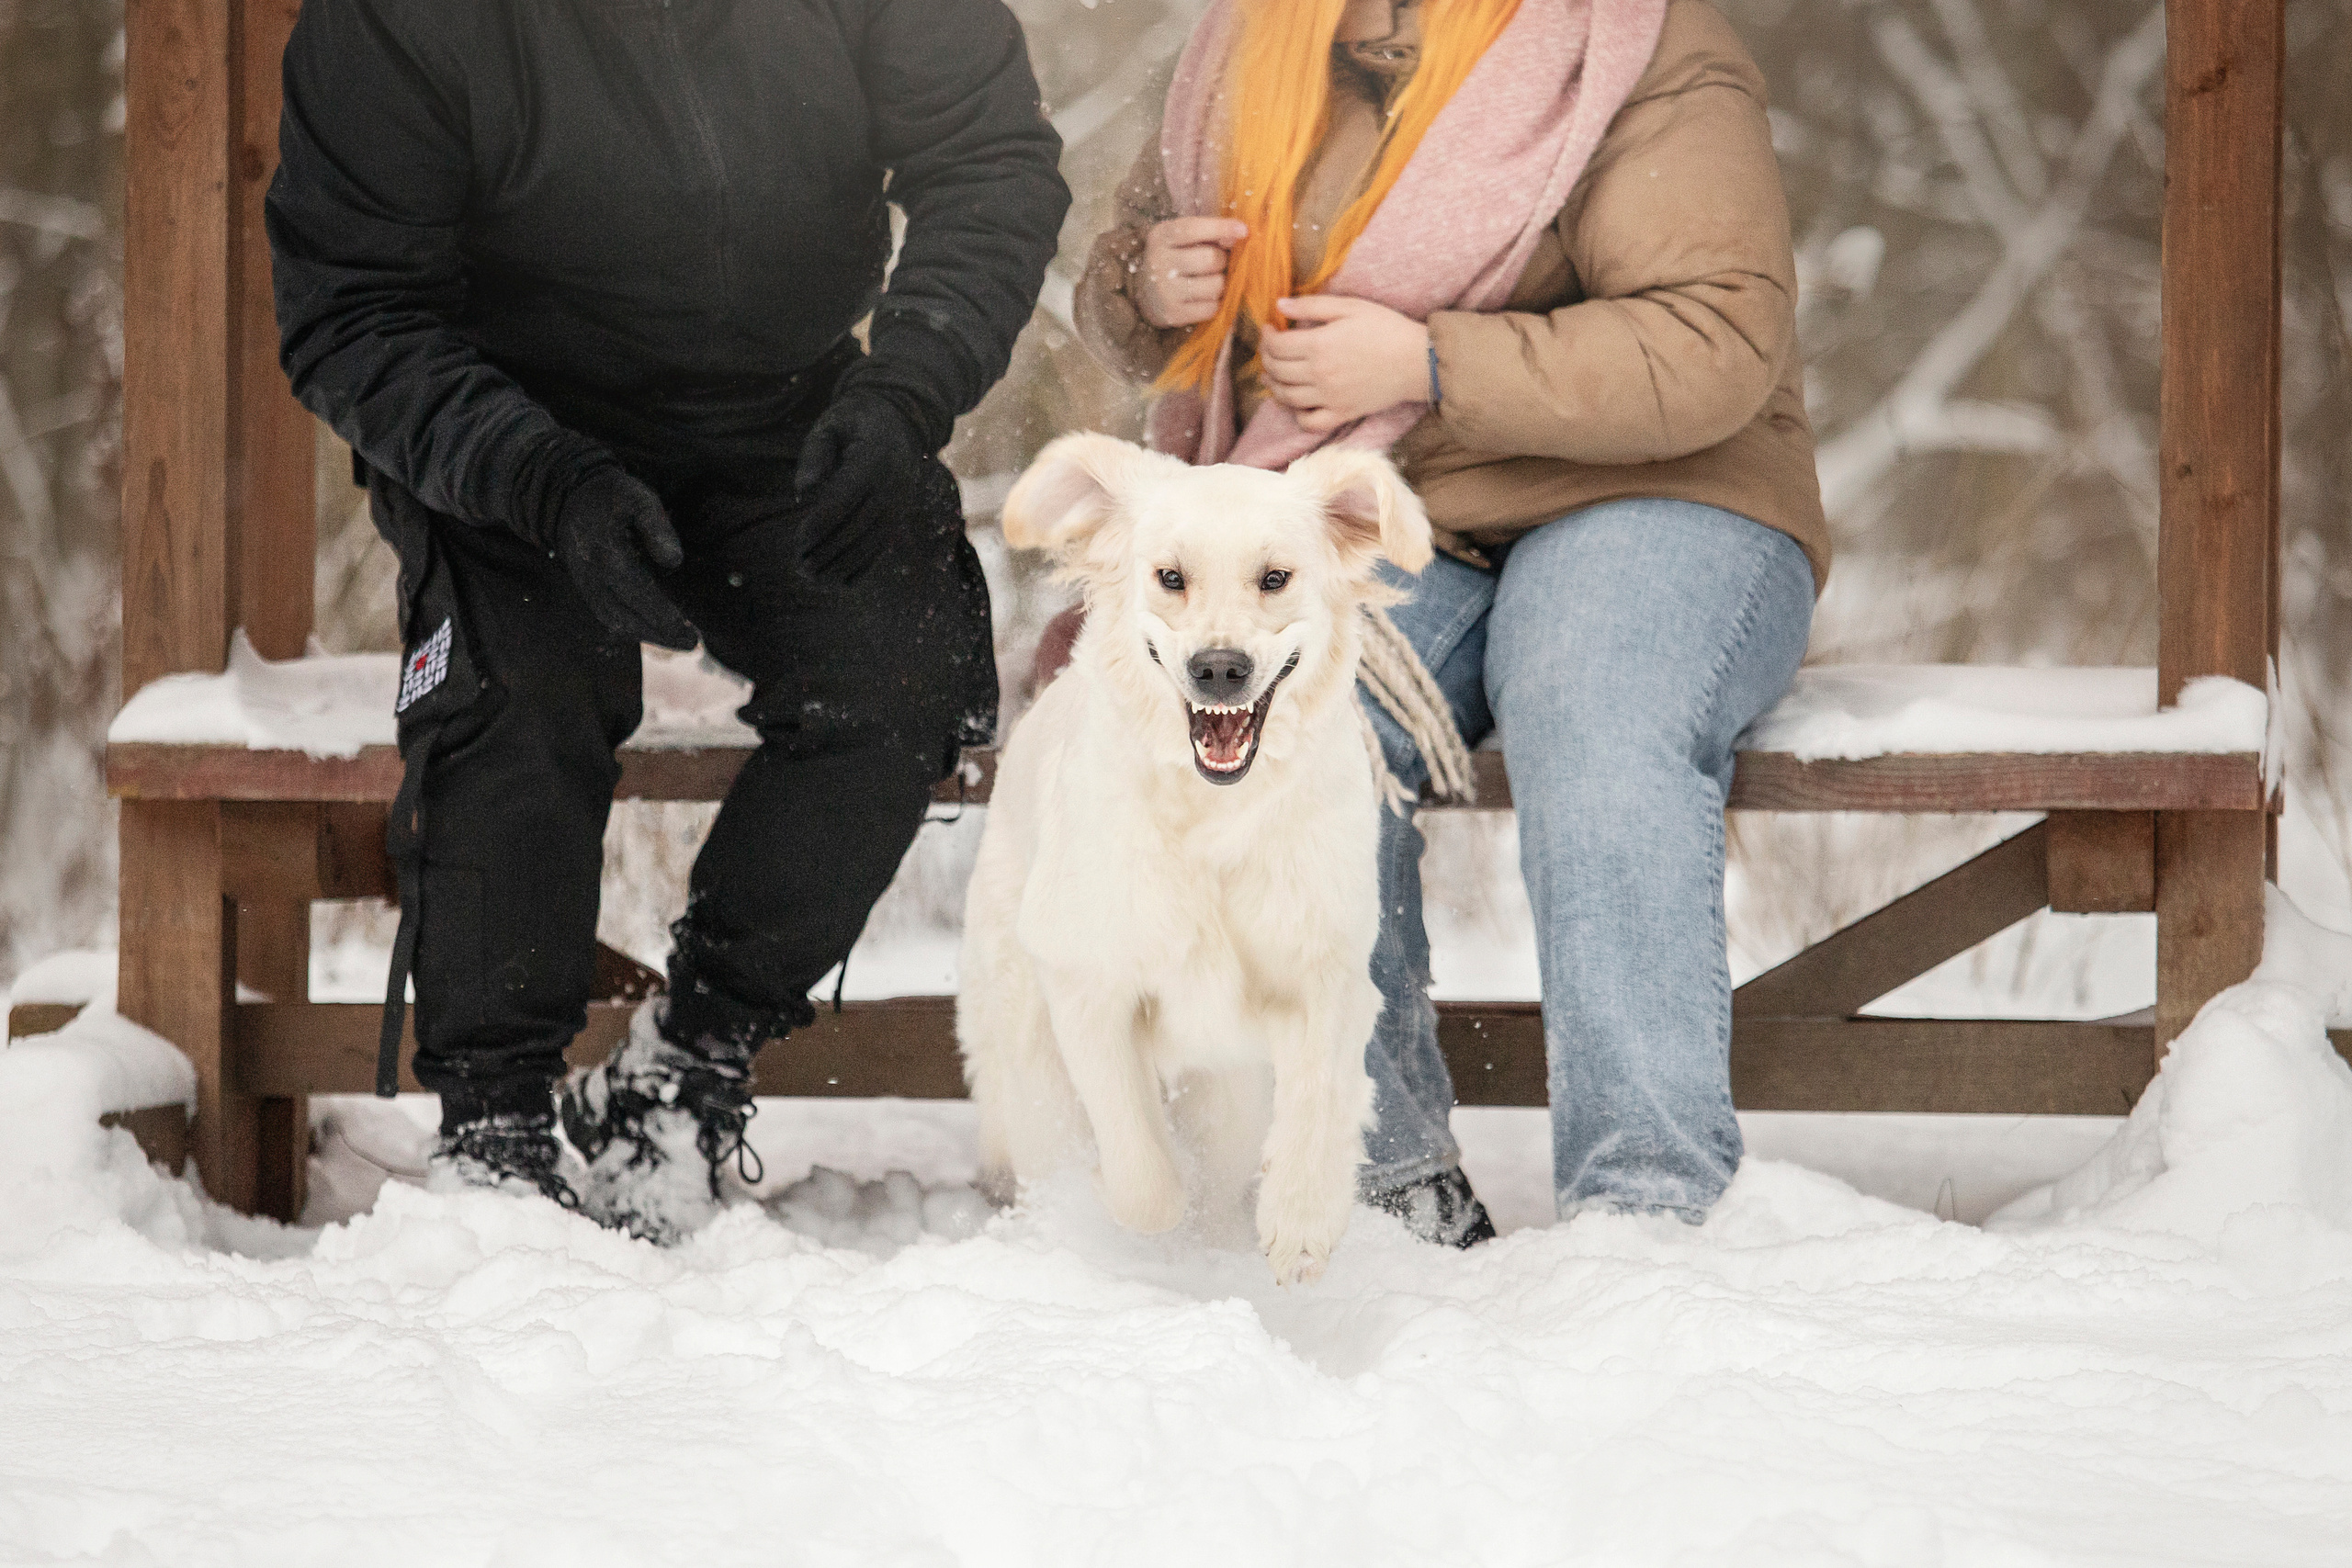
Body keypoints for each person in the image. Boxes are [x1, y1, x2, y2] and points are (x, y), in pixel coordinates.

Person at [268, 0, 1069, 1241]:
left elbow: (988, 157)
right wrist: (543, 479)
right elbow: (352, 312)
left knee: (903, 670)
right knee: (515, 699)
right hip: (506, 429)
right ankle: (495, 1128)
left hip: (784, 405)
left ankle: (688, 1059)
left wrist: (909, 384)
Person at [1075, 0, 1826, 1242]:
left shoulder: (1631, 45)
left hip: (1662, 489)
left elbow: (1719, 333)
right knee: (1293, 722)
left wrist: (1430, 364)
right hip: (1395, 504)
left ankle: (1646, 1205)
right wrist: (1145, 287)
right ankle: (1387, 1183)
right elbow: (1140, 265)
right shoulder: (1252, 55)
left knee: (1591, 704)